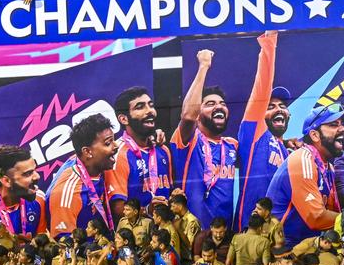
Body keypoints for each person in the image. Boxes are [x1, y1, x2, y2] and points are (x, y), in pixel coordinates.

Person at [267, 103, 344, 246]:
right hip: (284, 252)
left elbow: (332, 211)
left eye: (341, 124)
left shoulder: (328, 167)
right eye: (334, 125)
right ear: (315, 135)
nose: (343, 129)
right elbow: (316, 218)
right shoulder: (303, 158)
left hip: (309, 247)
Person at [171, 50, 238, 227]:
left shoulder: (232, 145)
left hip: (224, 235)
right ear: (199, 113)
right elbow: (187, 116)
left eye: (222, 104)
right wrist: (204, 66)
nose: (219, 107)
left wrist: (286, 142)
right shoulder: (188, 139)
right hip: (192, 235)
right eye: (210, 104)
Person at [234, 31, 291, 231]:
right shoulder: (255, 134)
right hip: (249, 233)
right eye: (271, 105)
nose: (279, 109)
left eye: (283, 105)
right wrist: (269, 43)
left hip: (277, 235)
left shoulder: (286, 152)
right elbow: (262, 90)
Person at [106, 86, 173, 219]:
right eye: (140, 107)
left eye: (151, 105)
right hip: (135, 235)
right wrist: (147, 210)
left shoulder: (163, 150)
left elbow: (169, 192)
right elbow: (118, 209)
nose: (150, 111)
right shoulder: (118, 153)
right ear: (124, 119)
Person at [48, 113, 118, 237]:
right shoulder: (68, 190)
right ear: (87, 152)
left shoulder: (95, 164)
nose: (116, 146)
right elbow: (65, 245)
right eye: (108, 143)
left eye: (114, 140)